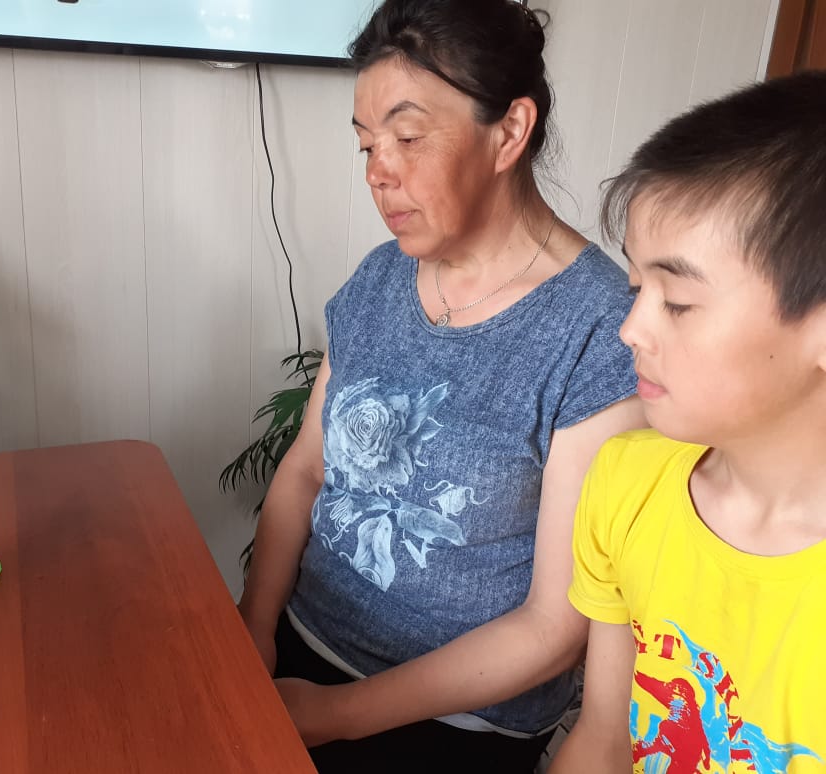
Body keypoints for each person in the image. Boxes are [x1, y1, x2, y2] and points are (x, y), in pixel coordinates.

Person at [237, 1, 645, 770]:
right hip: (305, 650)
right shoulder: (379, 279)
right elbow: (304, 470)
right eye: (366, 144)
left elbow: (552, 626)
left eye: (408, 137)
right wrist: (253, 630)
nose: (377, 172)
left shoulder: (600, 330)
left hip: (460, 721)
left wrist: (335, 716)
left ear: (510, 132)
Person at [550, 71, 826, 773]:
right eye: (636, 287)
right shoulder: (628, 482)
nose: (631, 329)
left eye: (675, 300)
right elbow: (605, 738)